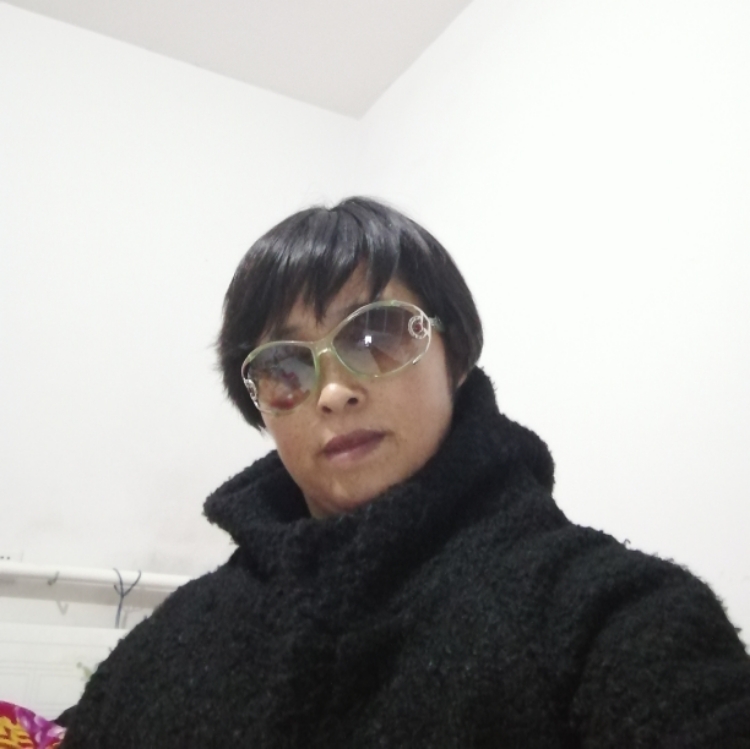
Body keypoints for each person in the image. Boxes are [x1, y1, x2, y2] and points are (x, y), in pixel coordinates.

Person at [61, 198, 750, 748]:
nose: (333, 391)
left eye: (377, 333)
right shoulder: (173, 639)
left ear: (456, 354)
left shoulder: (604, 612)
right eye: (286, 364)